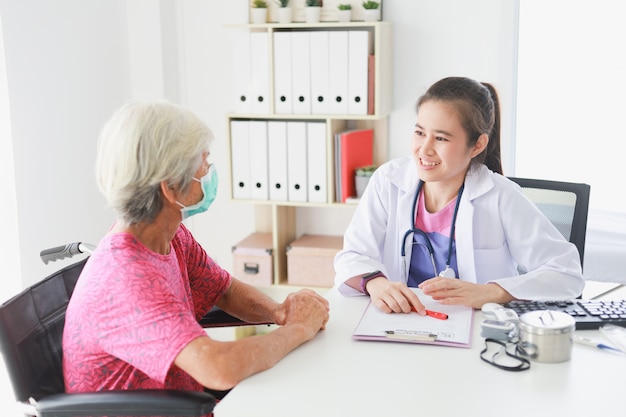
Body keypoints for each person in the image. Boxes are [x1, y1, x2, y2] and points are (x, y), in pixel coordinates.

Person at [62, 101, 330, 405]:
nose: (210, 172)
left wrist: (278, 312)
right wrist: (297, 329)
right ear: (171, 188)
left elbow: (224, 291)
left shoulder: (168, 234)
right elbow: (219, 368)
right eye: (204, 163)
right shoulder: (125, 280)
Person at [334, 76, 584, 314]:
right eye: (420, 132)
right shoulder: (388, 181)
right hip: (401, 322)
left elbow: (567, 273)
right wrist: (375, 283)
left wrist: (492, 292)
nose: (424, 149)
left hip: (476, 330)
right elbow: (353, 255)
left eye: (441, 138)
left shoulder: (500, 196)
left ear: (477, 145)